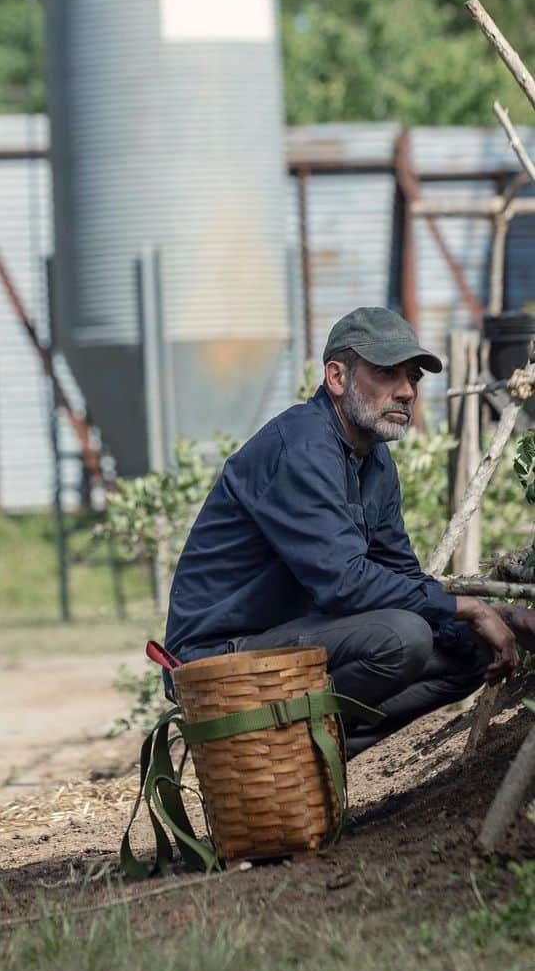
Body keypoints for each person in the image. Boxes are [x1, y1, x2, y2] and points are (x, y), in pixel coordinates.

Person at [165, 305, 535, 757]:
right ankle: (285, 754)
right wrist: (469, 607)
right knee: (402, 637)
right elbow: (345, 585)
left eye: (413, 377)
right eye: (386, 374)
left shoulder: (375, 461)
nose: (405, 391)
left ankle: (316, 762)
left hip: (290, 640)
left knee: (468, 653)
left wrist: (504, 616)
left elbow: (399, 575)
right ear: (337, 378)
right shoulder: (300, 447)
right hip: (215, 658)